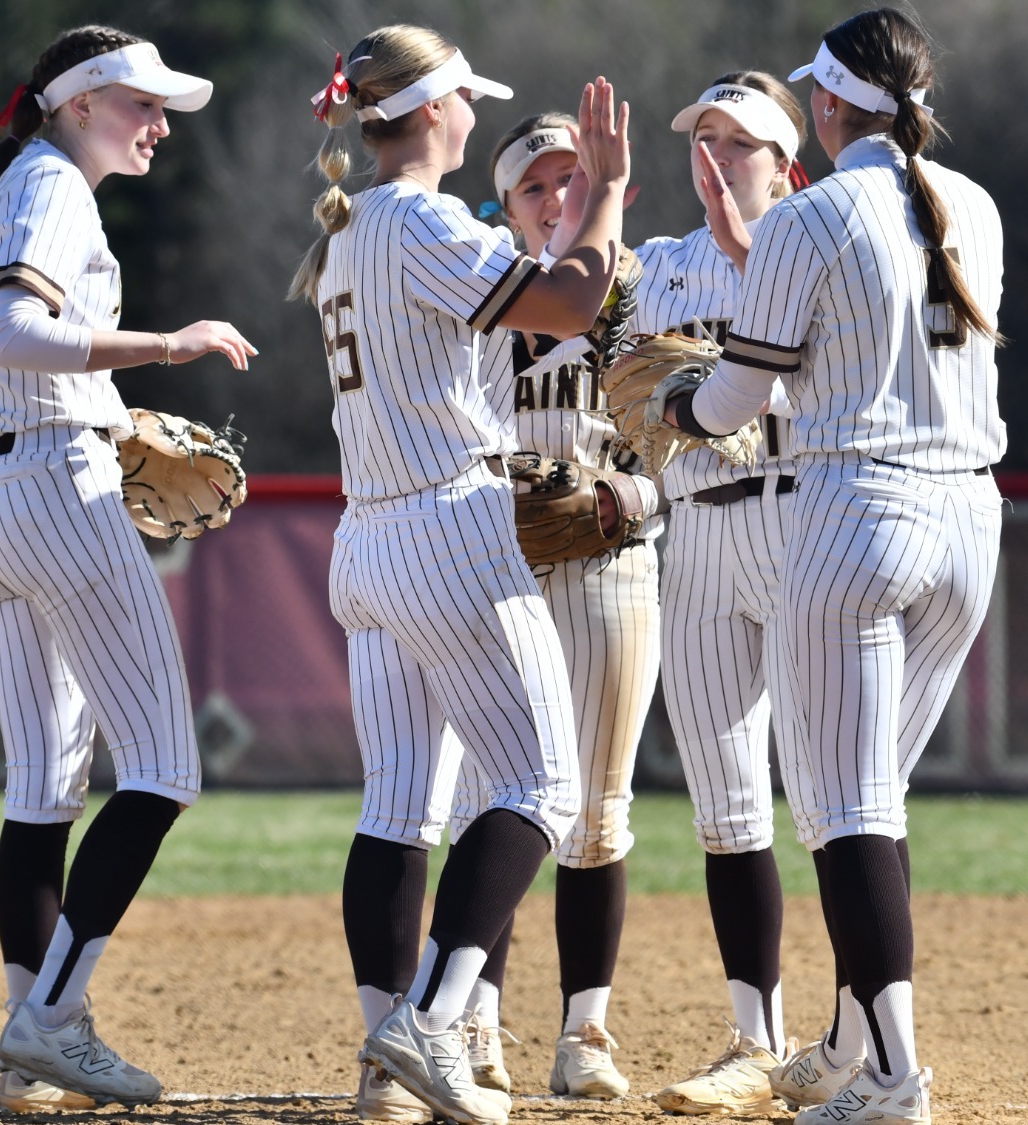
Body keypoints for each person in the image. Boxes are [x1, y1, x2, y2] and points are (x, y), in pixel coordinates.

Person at [291, 25, 636, 1125]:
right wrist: (609, 192)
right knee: (538, 785)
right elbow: (572, 302)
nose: (472, 115)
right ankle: (431, 1026)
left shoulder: (346, 231)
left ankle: (379, 1065)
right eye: (463, 101)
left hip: (368, 537)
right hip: (447, 523)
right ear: (430, 109)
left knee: (399, 805)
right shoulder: (416, 216)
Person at [666, 10, 1006, 1125]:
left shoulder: (810, 217)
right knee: (876, 796)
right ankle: (853, 1047)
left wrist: (675, 400)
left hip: (859, 509)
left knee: (843, 806)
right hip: (970, 520)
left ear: (822, 107)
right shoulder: (977, 206)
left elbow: (731, 401)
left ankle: (896, 1079)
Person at [0, 23, 257, 1113]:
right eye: (140, 104)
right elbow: (19, 333)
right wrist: (169, 345)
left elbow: (4, 357)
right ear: (76, 104)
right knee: (164, 767)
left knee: (41, 788)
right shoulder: (55, 184)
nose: (159, 124)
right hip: (56, 496)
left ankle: (30, 1049)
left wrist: (110, 408)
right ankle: (51, 1019)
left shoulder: (25, 183)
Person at [437, 114, 663, 1102]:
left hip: (610, 562)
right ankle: (473, 1025)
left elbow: (700, 447)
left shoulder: (645, 287)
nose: (558, 196)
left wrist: (628, 498)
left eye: (575, 179)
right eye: (536, 185)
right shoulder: (469, 290)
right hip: (492, 568)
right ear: (506, 202)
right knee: (489, 800)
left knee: (597, 812)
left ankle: (584, 1033)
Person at [618, 71, 811, 1117]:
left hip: (800, 513)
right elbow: (635, 404)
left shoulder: (817, 240)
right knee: (725, 807)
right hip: (694, 531)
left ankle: (869, 1032)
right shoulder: (665, 269)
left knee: (835, 795)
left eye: (737, 144)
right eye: (701, 140)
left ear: (785, 163)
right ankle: (754, 1040)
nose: (714, 159)